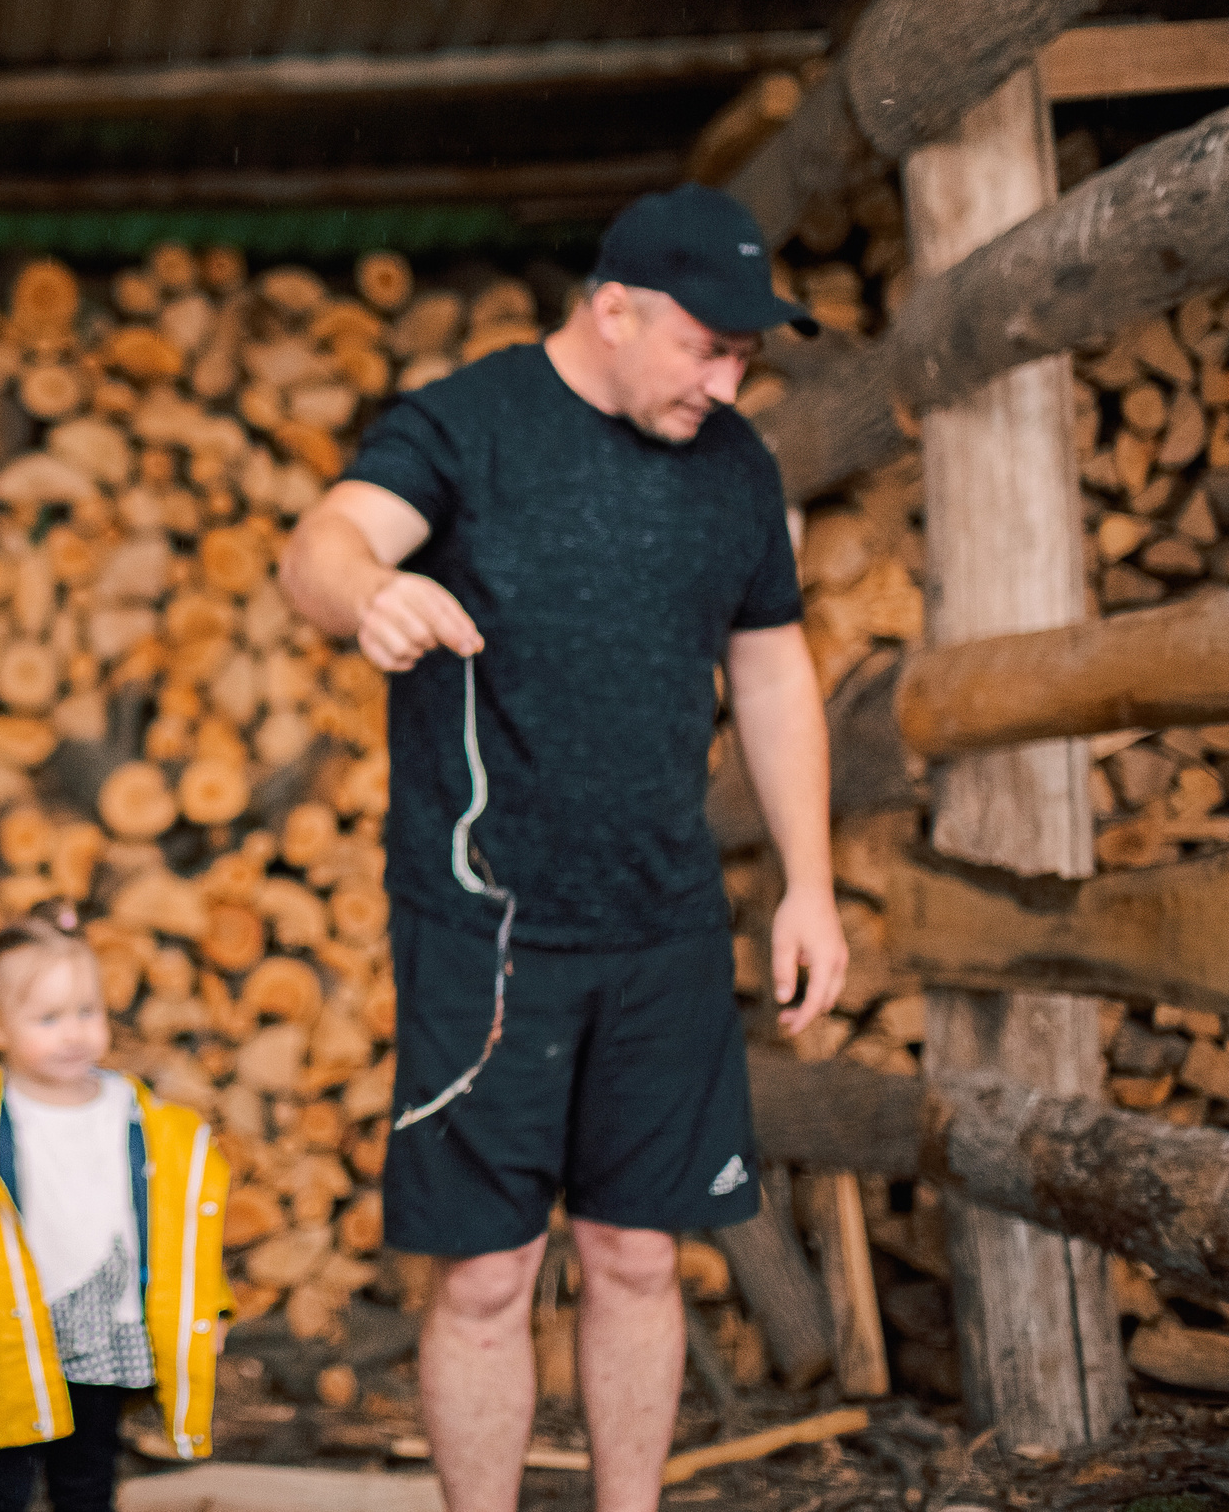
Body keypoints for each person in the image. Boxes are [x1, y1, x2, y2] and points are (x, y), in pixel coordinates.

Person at [277, 184, 849, 1512]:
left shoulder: (737, 468)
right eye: (706, 346)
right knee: (486, 1273)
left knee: (639, 1250)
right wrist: (371, 590)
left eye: (745, 352)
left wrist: (811, 884)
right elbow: (322, 544)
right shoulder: (469, 425)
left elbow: (771, 673)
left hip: (665, 922)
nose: (727, 376)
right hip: (483, 929)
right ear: (612, 309)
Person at [0, 918, 231, 1512]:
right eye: (48, 1019)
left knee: (87, 1481)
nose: (74, 1034)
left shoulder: (143, 1118)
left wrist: (207, 1307)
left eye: (88, 1011)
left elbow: (184, 1229)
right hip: (10, 1339)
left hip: (106, 1333)